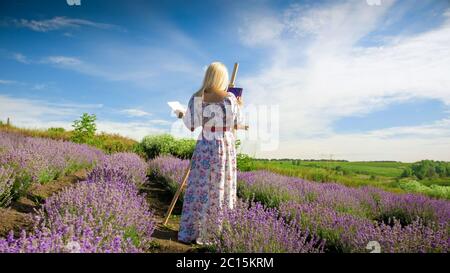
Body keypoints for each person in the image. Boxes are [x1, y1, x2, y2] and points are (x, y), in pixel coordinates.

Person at [175, 61, 244, 244]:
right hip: (224, 145)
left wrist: (180, 114)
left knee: (199, 187)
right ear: (223, 78)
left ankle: (191, 231)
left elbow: (190, 126)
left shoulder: (197, 98)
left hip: (205, 144)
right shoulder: (230, 99)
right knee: (220, 187)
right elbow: (237, 124)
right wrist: (239, 105)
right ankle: (216, 232)